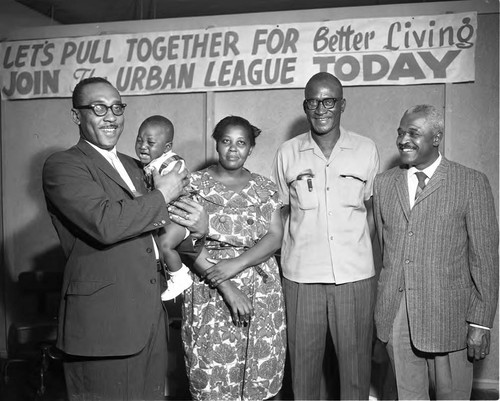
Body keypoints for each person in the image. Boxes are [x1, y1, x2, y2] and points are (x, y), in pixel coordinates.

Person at [42, 77, 208, 400]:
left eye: (117, 107)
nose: (111, 116)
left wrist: (198, 229)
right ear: (77, 116)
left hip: (148, 324)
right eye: (99, 108)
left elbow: (160, 230)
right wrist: (163, 195)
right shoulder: (64, 166)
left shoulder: (136, 167)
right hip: (104, 328)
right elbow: (105, 223)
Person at [373, 104, 499, 399]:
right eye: (401, 132)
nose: (403, 140)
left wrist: (480, 322)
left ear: (437, 136)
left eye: (413, 133)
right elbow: (385, 251)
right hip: (398, 317)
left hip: (451, 319)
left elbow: (485, 260)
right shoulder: (383, 184)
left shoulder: (471, 182)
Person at [271, 72, 380, 400]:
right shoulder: (288, 153)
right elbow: (280, 212)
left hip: (355, 277)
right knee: (303, 371)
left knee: (356, 370)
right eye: (313, 102)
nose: (321, 108)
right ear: (305, 107)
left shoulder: (365, 149)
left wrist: (355, 246)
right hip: (302, 278)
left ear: (342, 104)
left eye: (329, 101)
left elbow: (373, 208)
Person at [182, 116, 286, 400]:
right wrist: (223, 278)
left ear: (251, 148)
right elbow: (182, 241)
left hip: (261, 290)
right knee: (212, 371)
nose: (232, 149)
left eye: (241, 143)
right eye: (226, 141)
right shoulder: (193, 184)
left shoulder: (264, 188)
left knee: (258, 371)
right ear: (216, 143)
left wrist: (237, 264)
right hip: (210, 284)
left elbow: (275, 236)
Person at [135, 114, 193, 300]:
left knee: (165, 246)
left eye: (150, 143)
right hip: (166, 216)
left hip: (180, 216)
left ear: (167, 147)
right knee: (158, 247)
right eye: (139, 140)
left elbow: (172, 189)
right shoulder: (148, 164)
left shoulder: (172, 164)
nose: (143, 146)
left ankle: (180, 277)